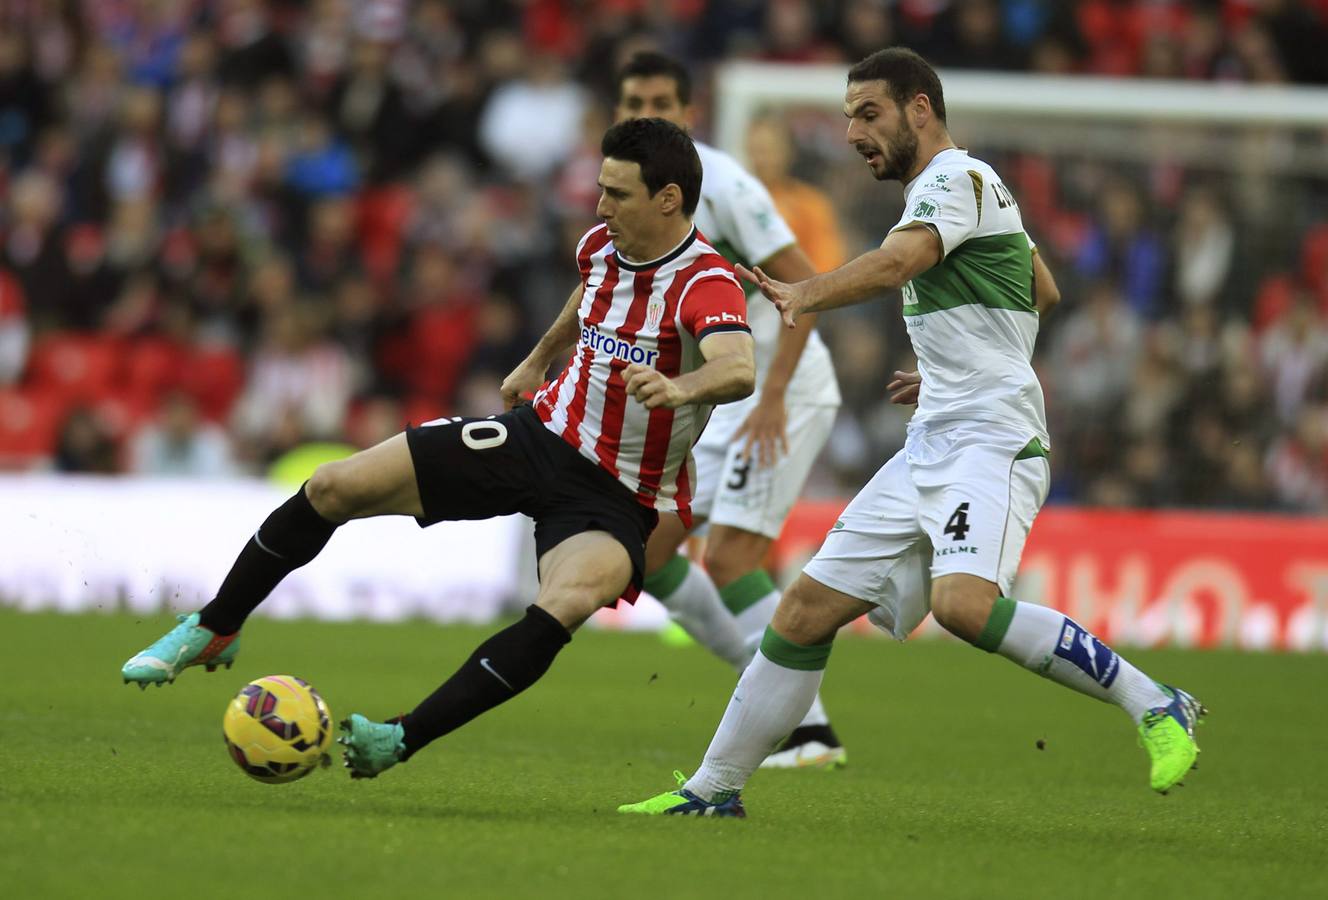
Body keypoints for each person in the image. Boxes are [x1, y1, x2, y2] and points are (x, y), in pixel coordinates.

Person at [620, 48, 1205, 818]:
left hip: (991, 442)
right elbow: (1044, 288)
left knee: (963, 605)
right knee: (802, 612)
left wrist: (804, 295)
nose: (855, 132)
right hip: (933, 437)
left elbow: (901, 263)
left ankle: (1158, 702)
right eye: (848, 117)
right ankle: (712, 791)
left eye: (869, 114)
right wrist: (963, 368)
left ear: (919, 109)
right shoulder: (962, 191)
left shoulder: (954, 180)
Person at [120, 117, 757, 779]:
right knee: (335, 486)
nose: (600, 206)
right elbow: (590, 293)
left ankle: (400, 737)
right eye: (601, 189)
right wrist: (540, 357)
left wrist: (681, 388)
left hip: (616, 497)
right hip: (536, 438)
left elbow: (739, 368)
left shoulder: (706, 282)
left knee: (565, 604)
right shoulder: (602, 245)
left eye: (618, 194)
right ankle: (216, 625)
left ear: (669, 200)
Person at [614, 52, 849, 770]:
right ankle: (773, 694)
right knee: (647, 553)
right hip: (723, 395)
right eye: (632, 100)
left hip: (779, 387)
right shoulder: (623, 191)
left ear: (689, 113)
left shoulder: (725, 184)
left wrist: (772, 395)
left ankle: (807, 731)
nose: (644, 112)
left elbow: (806, 285)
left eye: (660, 99)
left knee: (731, 555)